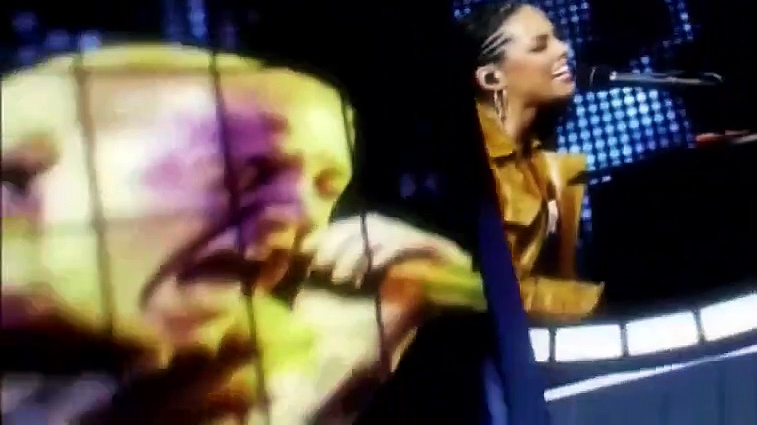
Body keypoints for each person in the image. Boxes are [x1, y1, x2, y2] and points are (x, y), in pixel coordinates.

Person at [0, 44, 486, 422]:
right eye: (246, 174)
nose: (302, 215)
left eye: (325, 187)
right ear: (17, 186)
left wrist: (329, 367)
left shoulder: (262, 359)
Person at [458, 0, 603, 322]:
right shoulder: (473, 167)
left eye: (557, 37)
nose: (563, 49)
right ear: (491, 78)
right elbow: (496, 291)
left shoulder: (537, 156)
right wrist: (602, 302)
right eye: (540, 46)